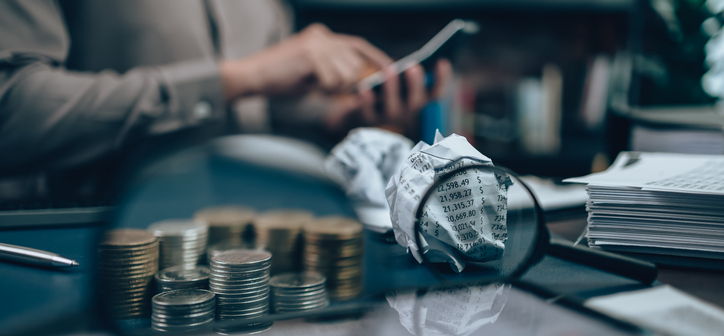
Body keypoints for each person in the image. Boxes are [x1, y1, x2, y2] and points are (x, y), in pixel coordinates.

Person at [0, 0, 452, 177]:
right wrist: (238, 78)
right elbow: (13, 113)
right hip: (99, 246)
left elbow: (260, 104)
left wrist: (339, 118)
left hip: (254, 242)